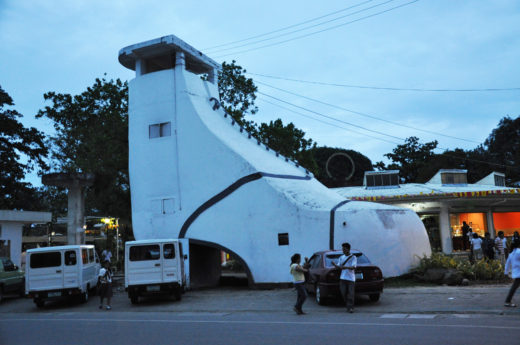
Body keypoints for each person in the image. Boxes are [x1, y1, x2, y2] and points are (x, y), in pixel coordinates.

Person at [332, 242, 357, 313]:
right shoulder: (341, 257)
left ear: (348, 249)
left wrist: (345, 267)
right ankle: (348, 305)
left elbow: (353, 267)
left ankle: (350, 307)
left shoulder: (353, 257)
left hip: (351, 278)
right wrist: (334, 264)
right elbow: (339, 266)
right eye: (342, 249)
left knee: (350, 294)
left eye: (344, 249)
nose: (343, 250)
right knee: (343, 293)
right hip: (343, 278)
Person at [504, 242, 520, 307]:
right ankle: (507, 301)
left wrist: (506, 273)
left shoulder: (511, 254)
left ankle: (507, 301)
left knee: (514, 287)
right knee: (514, 287)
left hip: (517, 273)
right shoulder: (519, 251)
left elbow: (507, 264)